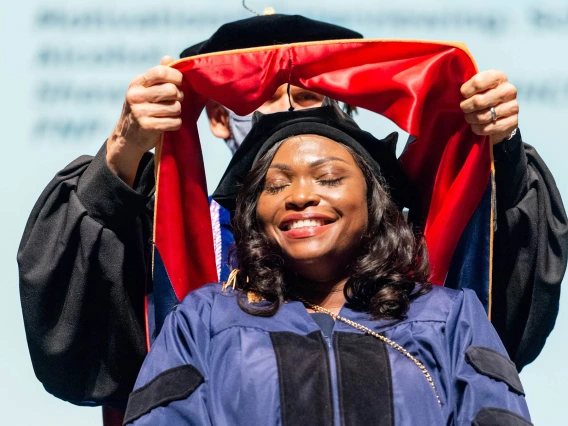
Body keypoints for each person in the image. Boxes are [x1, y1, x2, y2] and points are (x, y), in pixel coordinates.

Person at [17, 13, 566, 412]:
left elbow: (499, 302)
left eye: (305, 98)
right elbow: (76, 344)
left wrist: (499, 146)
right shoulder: (168, 233)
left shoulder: (402, 230)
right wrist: (123, 149)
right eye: (259, 99)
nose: (281, 114)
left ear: (342, 107)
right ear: (215, 119)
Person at [123, 103, 531, 426]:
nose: (300, 196)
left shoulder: (449, 317)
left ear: (374, 205)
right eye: (276, 185)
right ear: (253, 214)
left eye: (329, 178)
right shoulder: (204, 321)